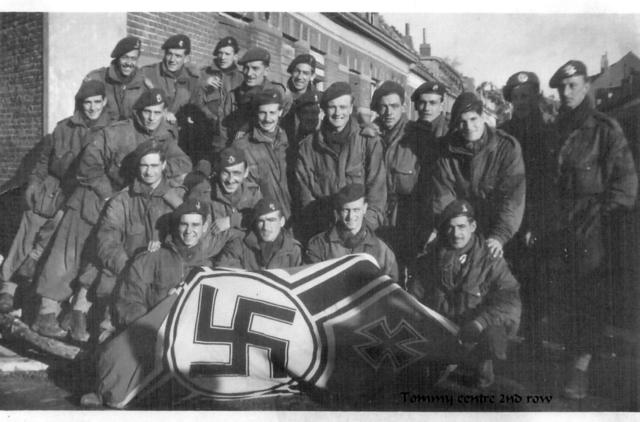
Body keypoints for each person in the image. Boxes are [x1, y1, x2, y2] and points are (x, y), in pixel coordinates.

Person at [31, 89, 192, 339]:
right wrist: (108, 193)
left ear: (164, 114)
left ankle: (78, 312)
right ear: (137, 113)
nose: (151, 118)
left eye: (157, 113)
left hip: (131, 201)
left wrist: (159, 169)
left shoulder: (163, 136)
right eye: (147, 112)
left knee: (107, 253)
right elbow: (88, 166)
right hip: (95, 195)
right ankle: (46, 312)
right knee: (70, 251)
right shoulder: (116, 132)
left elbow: (184, 163)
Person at [546, 60, 637, 400]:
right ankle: (571, 356)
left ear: (587, 86)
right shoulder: (556, 128)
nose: (566, 93)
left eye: (573, 86)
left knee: (588, 299)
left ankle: (580, 369)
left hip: (592, 228)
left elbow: (626, 185)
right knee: (564, 296)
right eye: (561, 88)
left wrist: (600, 216)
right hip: (561, 225)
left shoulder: (605, 129)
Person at [0, 81, 113, 313]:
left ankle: (47, 300)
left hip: (82, 193)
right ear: (80, 104)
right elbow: (43, 161)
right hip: (54, 188)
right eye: (87, 103)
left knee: (61, 234)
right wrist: (34, 183)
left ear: (104, 102)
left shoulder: (111, 131)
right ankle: (8, 289)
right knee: (31, 221)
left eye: (96, 102)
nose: (92, 108)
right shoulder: (64, 127)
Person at [67, 142, 184, 342]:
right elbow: (107, 239)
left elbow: (187, 234)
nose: (149, 172)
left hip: (162, 271)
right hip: (126, 267)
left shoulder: (176, 198)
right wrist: (128, 266)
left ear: (163, 166)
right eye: (144, 166)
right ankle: (107, 328)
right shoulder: (122, 200)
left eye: (154, 166)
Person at [409, 200, 521, 388]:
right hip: (443, 328)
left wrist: (480, 323)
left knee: (493, 338)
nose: (456, 234)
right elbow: (415, 295)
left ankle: (482, 364)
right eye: (450, 228)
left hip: (475, 329)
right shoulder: (433, 256)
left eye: (461, 227)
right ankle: (444, 360)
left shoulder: (490, 259)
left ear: (473, 226)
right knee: (427, 385)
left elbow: (509, 299)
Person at [430, 92, 525, 259]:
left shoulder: (506, 148)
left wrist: (499, 237)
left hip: (497, 228)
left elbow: (512, 198)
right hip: (461, 227)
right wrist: (453, 231)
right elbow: (444, 195)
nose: (468, 126)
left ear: (482, 117)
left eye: (473, 119)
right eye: (462, 122)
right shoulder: (446, 150)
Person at [499, 71, 556, 342]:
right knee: (509, 277)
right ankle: (511, 335)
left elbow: (549, 185)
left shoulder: (549, 130)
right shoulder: (504, 133)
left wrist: (537, 223)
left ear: (536, 96)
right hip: (509, 217)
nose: (520, 102)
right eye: (515, 97)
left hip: (536, 218)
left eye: (526, 96)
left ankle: (533, 340)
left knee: (536, 281)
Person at [296, 82, 387, 242]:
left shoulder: (368, 142)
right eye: (332, 107)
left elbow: (377, 194)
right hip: (324, 235)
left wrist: (363, 231)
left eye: (343, 107)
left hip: (361, 235)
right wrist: (323, 237)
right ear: (324, 110)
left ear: (351, 108)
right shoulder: (308, 147)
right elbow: (306, 198)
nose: (338, 113)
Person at [113, 198, 217, 329]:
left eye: (195, 225)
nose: (188, 231)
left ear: (205, 227)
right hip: (149, 331)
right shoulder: (153, 257)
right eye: (184, 224)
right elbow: (129, 301)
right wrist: (150, 327)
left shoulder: (207, 268)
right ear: (177, 225)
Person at [370, 81, 429, 266]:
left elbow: (426, 189)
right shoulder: (368, 136)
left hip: (407, 223)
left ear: (403, 107)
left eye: (394, 106)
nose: (389, 112)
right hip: (375, 222)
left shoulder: (417, 137)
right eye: (384, 107)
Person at [306, 184, 398, 281]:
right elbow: (311, 283)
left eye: (356, 210)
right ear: (338, 211)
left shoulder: (382, 251)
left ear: (365, 208)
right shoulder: (320, 245)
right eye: (346, 210)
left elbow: (391, 289)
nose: (351, 216)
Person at [231, 89, 292, 219]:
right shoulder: (242, 147)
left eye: (272, 113)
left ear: (280, 112)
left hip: (292, 218)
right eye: (263, 113)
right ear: (256, 113)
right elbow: (239, 191)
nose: (267, 119)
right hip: (263, 218)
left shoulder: (290, 143)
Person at [222, 47, 291, 141]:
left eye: (255, 68)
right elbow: (223, 130)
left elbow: (283, 125)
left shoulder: (279, 93)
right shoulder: (233, 96)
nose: (249, 73)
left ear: (266, 70)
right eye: (246, 68)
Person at [214, 197, 302, 271]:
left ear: (282, 222)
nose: (266, 227)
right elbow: (224, 275)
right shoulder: (240, 245)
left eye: (271, 220)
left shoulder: (293, 250)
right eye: (261, 221)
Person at [191, 36, 244, 157]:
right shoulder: (203, 74)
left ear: (235, 56)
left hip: (230, 133)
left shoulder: (241, 78)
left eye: (227, 53)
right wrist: (203, 85)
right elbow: (193, 101)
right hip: (206, 131)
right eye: (220, 53)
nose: (223, 57)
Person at [84, 36, 148, 121]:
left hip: (130, 133)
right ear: (117, 58)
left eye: (133, 59)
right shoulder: (97, 78)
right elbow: (81, 116)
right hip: (102, 133)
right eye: (125, 57)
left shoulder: (143, 84)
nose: (129, 63)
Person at [142, 34, 199, 125]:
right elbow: (138, 106)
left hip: (178, 132)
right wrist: (163, 114)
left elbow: (194, 108)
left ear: (186, 59)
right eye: (169, 54)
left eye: (178, 56)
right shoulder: (148, 73)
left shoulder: (192, 80)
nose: (172, 59)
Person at [210, 146, 262, 235]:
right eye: (225, 173)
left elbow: (263, 220)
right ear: (218, 171)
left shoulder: (253, 193)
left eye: (236, 173)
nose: (230, 180)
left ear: (246, 173)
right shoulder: (206, 193)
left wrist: (232, 221)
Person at [281, 54, 321, 144]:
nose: (299, 77)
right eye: (297, 71)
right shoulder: (282, 95)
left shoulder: (318, 100)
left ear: (312, 76)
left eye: (305, 73)